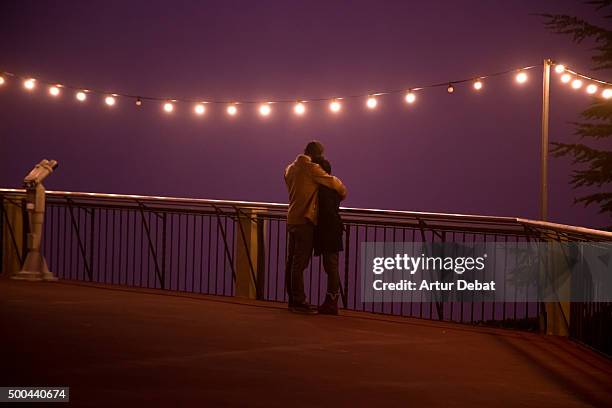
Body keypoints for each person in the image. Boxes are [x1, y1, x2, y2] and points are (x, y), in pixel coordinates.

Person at [284, 141, 347, 314]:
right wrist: (341, 195)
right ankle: (299, 302)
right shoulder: (311, 169)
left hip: (291, 219)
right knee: (300, 263)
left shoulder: (289, 169)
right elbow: (337, 185)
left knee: (292, 261)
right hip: (305, 221)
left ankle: (292, 299)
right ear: (316, 155)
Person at [312, 156, 343, 315]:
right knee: (332, 266)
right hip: (334, 231)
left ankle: (331, 302)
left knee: (330, 266)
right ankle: (331, 300)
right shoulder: (334, 187)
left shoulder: (323, 190)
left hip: (328, 231)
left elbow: (326, 212)